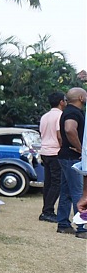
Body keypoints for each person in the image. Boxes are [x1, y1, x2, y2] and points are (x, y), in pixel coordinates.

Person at [56, 87, 86, 234]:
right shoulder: (73, 112)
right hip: (72, 157)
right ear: (81, 98)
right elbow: (69, 129)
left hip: (65, 155)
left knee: (66, 191)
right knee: (78, 192)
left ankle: (63, 224)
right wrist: (81, 149)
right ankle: (82, 227)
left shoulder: (68, 111)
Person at [38, 91, 65, 222]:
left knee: (48, 183)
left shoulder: (45, 116)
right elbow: (59, 134)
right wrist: (63, 147)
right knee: (57, 183)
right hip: (55, 152)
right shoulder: (60, 115)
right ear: (61, 102)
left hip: (44, 151)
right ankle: (48, 211)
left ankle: (46, 209)